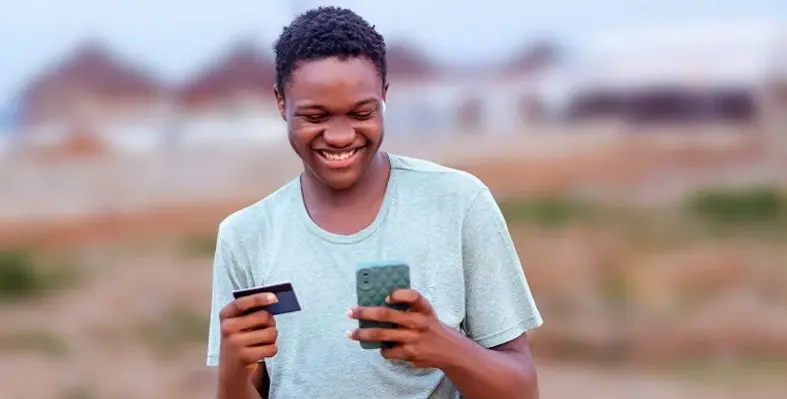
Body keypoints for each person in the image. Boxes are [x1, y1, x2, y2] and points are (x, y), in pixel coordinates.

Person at [207, 6, 543, 399]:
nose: (339, 135)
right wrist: (231, 372)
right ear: (281, 103)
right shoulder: (245, 236)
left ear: (385, 96)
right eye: (315, 116)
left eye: (361, 112)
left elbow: (523, 390)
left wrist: (446, 347)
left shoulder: (459, 204)